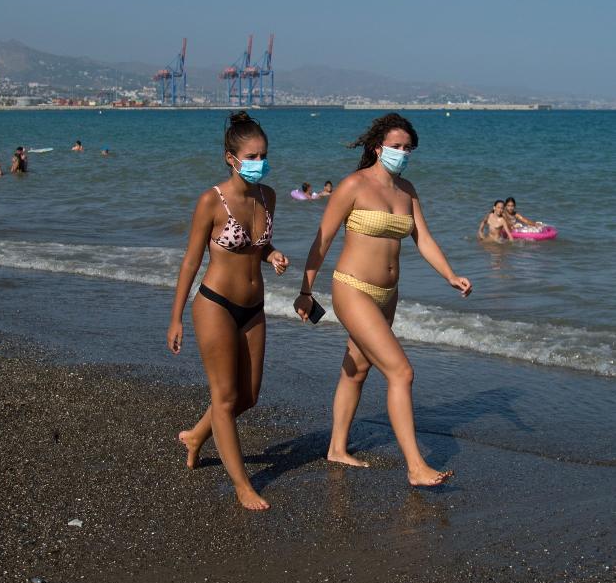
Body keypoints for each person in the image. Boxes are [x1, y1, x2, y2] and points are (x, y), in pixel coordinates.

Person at [294, 112, 472, 487]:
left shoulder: (407, 191)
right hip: (352, 288)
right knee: (401, 372)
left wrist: (450, 275)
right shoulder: (354, 185)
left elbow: (423, 238)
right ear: (378, 148)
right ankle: (416, 466)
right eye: (396, 146)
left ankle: (337, 448)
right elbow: (322, 240)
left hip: (388, 295)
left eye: (408, 148)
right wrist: (306, 291)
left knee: (357, 369)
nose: (402, 153)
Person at [168, 112, 289, 511]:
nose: (260, 162)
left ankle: (196, 436)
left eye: (264, 155)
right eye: (252, 156)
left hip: (254, 307)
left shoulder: (268, 196)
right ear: (230, 158)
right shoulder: (211, 200)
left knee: (248, 396)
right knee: (224, 397)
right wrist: (176, 317)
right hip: (215, 304)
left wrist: (272, 255)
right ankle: (242, 485)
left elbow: (257, 245)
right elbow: (191, 261)